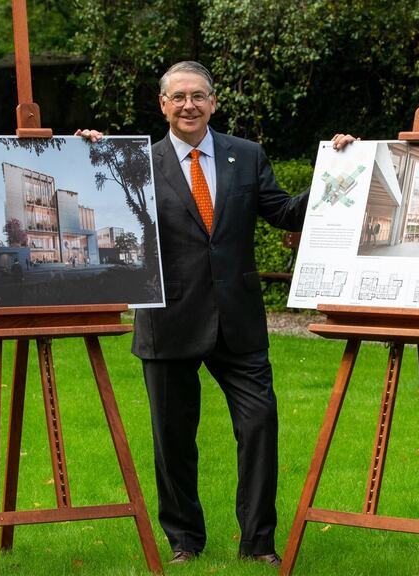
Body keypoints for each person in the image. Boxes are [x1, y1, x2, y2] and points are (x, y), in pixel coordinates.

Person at [78, 60, 355, 568]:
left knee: (259, 426)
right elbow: (101, 206)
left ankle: (258, 542)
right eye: (178, 96)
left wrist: (333, 173)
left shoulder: (245, 156)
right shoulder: (133, 161)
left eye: (198, 96)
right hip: (168, 321)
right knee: (174, 441)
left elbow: (283, 212)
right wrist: (87, 156)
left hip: (238, 321)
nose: (189, 105)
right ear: (162, 104)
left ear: (213, 102)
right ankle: (185, 540)